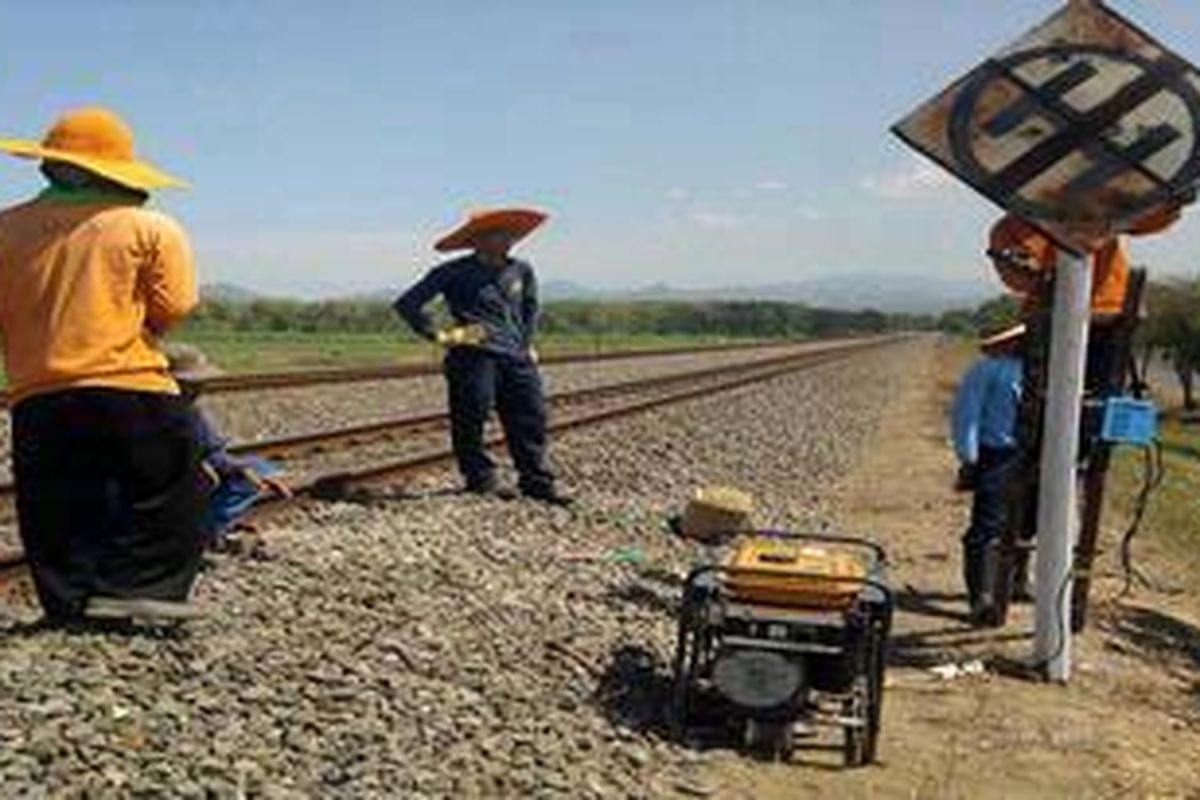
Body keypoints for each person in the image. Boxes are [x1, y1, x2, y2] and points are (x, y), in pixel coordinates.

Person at [0, 108, 209, 623]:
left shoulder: (4, 228)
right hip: (129, 382)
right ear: (114, 170)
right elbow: (175, 305)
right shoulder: (149, 226)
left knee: (55, 504)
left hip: (35, 390)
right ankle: (138, 587)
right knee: (173, 487)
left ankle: (70, 603)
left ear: (50, 167)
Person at [394, 208, 571, 506]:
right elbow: (408, 304)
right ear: (478, 240)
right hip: (473, 356)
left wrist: (527, 343)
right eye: (500, 234)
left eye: (511, 234)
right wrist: (443, 337)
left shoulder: (521, 270)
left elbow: (529, 310)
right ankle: (481, 479)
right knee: (471, 418)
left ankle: (537, 482)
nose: (509, 239)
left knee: (531, 417)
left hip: (516, 356)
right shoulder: (452, 271)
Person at [164, 344, 292, 549]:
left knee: (261, 467)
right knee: (250, 476)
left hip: (182, 468)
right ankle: (203, 533)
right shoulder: (178, 411)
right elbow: (204, 454)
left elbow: (211, 448)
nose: (200, 388)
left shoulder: (182, 407)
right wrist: (239, 468)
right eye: (194, 383)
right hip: (176, 474)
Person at [951, 324, 1024, 626]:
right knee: (987, 526)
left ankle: (1017, 582)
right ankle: (980, 596)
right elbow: (967, 415)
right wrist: (970, 457)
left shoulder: (1039, 370)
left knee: (1025, 523)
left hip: (1031, 454)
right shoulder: (986, 370)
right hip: (998, 455)